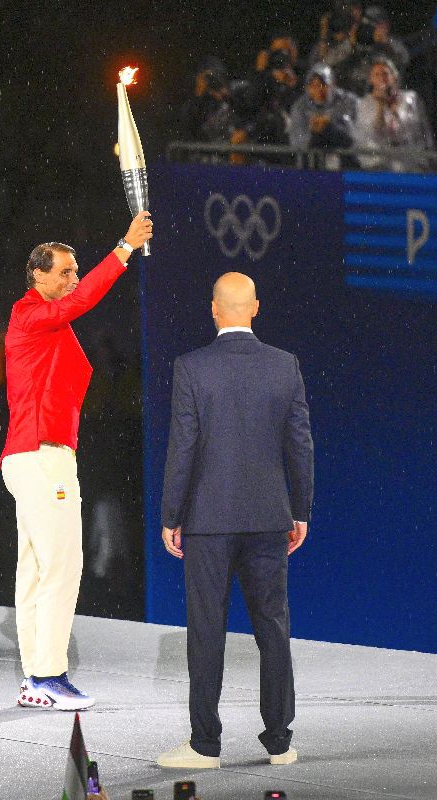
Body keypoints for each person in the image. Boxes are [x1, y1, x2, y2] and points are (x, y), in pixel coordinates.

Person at [156, 272, 314, 770]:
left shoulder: (192, 368)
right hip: (270, 517)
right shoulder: (284, 366)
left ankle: (205, 746)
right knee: (273, 626)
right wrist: (301, 511)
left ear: (214, 310)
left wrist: (171, 515)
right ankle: (280, 742)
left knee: (207, 630)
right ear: (255, 308)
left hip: (207, 520)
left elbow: (183, 448)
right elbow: (301, 446)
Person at [2, 212, 153, 711]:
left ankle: (35, 679)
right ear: (38, 276)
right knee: (63, 567)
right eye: (63, 272)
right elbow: (85, 298)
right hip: (42, 456)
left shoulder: (47, 325)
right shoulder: (29, 314)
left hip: (33, 456)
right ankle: (48, 676)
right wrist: (124, 249)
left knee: (36, 571)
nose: (71, 280)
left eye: (74, 271)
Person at [353, 57, 434, 172]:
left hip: (410, 160)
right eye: (377, 75)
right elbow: (372, 133)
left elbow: (422, 130)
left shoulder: (411, 99)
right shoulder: (364, 104)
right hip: (379, 164)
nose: (382, 78)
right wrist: (381, 107)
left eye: (386, 74)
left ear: (394, 76)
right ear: (371, 80)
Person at [288, 64, 358, 170]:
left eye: (323, 85)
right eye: (314, 86)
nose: (319, 90)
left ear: (332, 85)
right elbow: (296, 141)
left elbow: (355, 134)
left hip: (345, 159)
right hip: (312, 162)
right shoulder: (300, 107)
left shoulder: (348, 101)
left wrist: (329, 123)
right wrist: (312, 131)